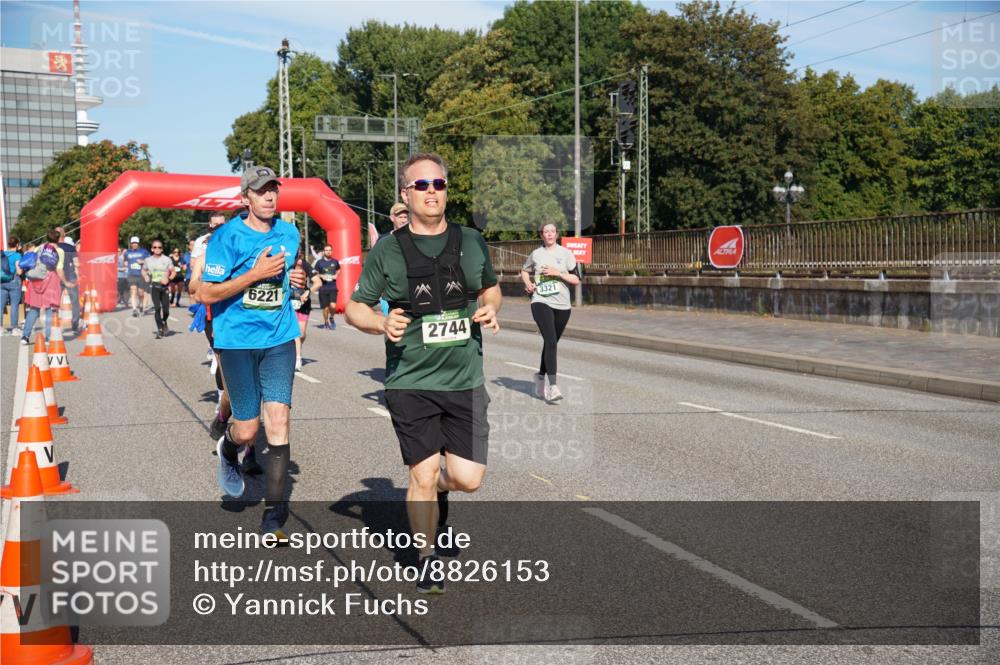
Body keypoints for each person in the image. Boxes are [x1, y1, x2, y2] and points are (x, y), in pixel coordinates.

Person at [346, 153, 501, 594]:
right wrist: (381, 323)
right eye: (422, 185)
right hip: (410, 380)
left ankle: (436, 491)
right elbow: (355, 307)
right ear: (405, 195)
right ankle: (427, 558)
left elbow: (490, 287)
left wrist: (491, 306)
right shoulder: (388, 250)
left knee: (468, 478)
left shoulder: (471, 240)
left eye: (438, 184)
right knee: (423, 473)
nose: (432, 192)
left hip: (465, 378)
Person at [198, 167, 306, 538]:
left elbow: (287, 277)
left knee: (278, 423)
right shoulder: (226, 237)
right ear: (246, 197)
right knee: (248, 432)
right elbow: (205, 294)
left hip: (278, 339)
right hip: (236, 342)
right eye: (261, 192)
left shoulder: (290, 233)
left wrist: (295, 282)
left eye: (273, 190)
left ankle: (273, 518)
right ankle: (228, 449)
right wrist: (253, 275)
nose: (269, 197)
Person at [188, 211, 237, 446]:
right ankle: (223, 405)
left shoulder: (240, 254)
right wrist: (207, 285)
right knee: (226, 366)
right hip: (214, 317)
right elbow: (192, 286)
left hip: (245, 319)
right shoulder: (204, 257)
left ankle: (248, 450)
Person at [519, 222, 580, 403]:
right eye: (546, 231)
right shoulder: (536, 254)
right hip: (540, 301)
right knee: (551, 341)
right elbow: (524, 270)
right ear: (541, 235)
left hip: (563, 305)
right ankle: (553, 386)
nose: (550, 234)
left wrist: (558, 274)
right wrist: (528, 284)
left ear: (557, 234)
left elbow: (576, 279)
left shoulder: (566, 254)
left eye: (552, 231)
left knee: (550, 343)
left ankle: (540, 376)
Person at [20, 238, 65, 344]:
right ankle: (48, 338)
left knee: (34, 310)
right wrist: (66, 282)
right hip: (50, 281)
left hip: (36, 281)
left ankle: (25, 336)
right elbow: (59, 268)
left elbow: (29, 261)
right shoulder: (59, 251)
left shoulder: (38, 248)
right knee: (50, 310)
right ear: (58, 239)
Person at [290, 250, 322, 371]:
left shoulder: (305, 264)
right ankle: (297, 358)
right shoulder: (286, 263)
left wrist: (308, 292)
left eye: (299, 254)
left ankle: (298, 348)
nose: (297, 257)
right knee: (296, 333)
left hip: (303, 303)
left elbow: (318, 282)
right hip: (288, 301)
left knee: (302, 334)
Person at [143, 239, 175, 339]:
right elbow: (144, 270)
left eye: (159, 247)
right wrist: (146, 276)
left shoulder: (167, 260)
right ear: (152, 249)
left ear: (162, 249)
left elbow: (173, 272)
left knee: (166, 311)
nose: (157, 249)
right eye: (155, 247)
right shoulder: (148, 260)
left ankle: (164, 321)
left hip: (164, 287)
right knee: (157, 308)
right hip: (154, 287)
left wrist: (168, 278)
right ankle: (160, 329)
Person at [55, 228, 82, 333]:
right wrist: (78, 276)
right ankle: (75, 326)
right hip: (70, 276)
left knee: (55, 302)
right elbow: (76, 264)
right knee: (74, 301)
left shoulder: (52, 248)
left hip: (56, 277)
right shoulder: (71, 247)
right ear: (64, 235)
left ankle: (55, 325)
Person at [312, 244, 340, 329]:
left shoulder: (335, 261)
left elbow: (339, 269)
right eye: (326, 250)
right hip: (323, 288)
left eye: (330, 250)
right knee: (325, 308)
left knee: (333, 306)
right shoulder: (319, 262)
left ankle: (331, 317)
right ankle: (326, 322)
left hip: (332, 287)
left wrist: (336, 275)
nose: (328, 252)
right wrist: (321, 276)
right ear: (324, 252)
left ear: (332, 251)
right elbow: (315, 272)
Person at [1, 236, 24, 337]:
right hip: (14, 282)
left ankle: (0, 328)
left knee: (1, 306)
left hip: (2, 282)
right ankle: (14, 328)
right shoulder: (17, 255)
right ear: (17, 245)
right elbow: (19, 271)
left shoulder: (2, 254)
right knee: (14, 305)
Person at [123, 236, 150, 316]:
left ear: (138, 243)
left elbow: (149, 261)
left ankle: (141, 305)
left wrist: (142, 261)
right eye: (133, 243)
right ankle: (134, 309)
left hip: (141, 275)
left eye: (136, 243)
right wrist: (125, 263)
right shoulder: (127, 252)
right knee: (133, 291)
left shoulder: (144, 251)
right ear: (131, 244)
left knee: (141, 293)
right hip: (131, 274)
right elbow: (125, 261)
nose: (134, 244)